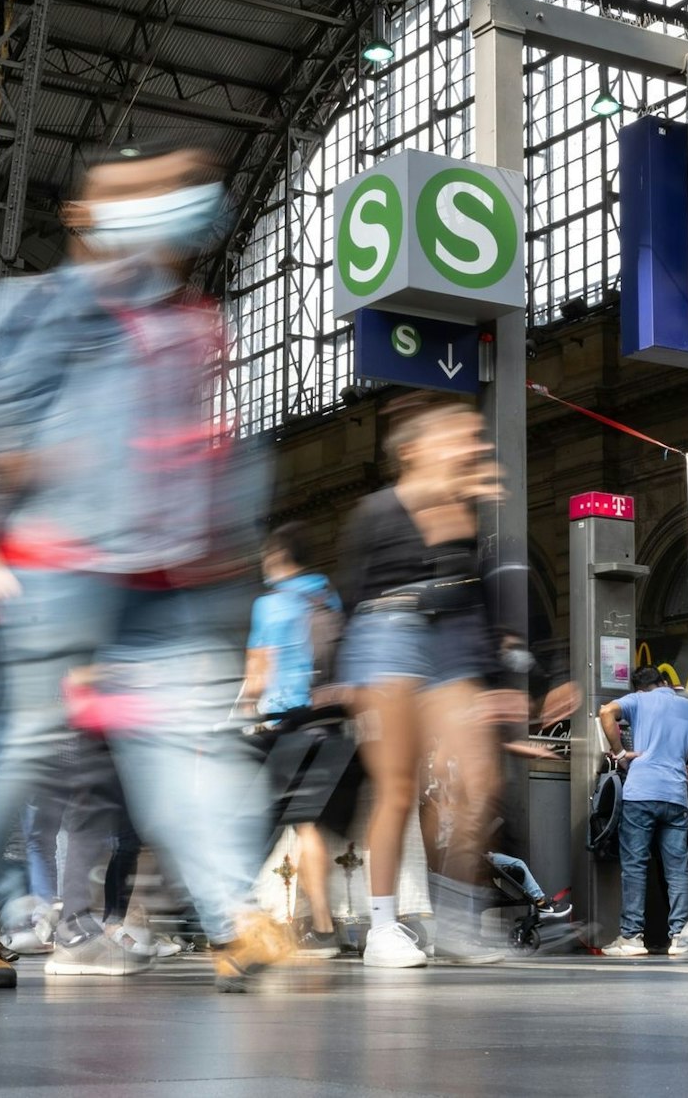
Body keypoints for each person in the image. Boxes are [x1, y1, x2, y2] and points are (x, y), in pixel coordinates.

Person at [0, 137, 284, 992]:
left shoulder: (193, 319)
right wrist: (39, 466)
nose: (171, 199)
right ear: (86, 211)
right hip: (60, 564)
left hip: (170, 578)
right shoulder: (34, 305)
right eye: (145, 188)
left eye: (183, 186)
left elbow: (214, 452)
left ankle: (236, 919)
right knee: (19, 746)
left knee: (188, 744)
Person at [334, 395, 505, 969]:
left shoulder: (465, 512)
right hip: (385, 633)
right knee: (398, 789)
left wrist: (497, 678)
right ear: (415, 450)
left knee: (479, 780)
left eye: (475, 438)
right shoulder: (380, 510)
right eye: (460, 436)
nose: (473, 446)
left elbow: (472, 598)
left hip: (449, 643)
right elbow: (354, 596)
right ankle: (383, 927)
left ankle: (457, 919)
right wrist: (346, 679)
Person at [243, 522, 343, 956]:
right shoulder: (327, 595)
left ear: (278, 555)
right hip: (329, 721)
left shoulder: (270, 605)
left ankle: (238, 916)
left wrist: (248, 711)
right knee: (309, 824)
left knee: (257, 821)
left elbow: (256, 676)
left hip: (284, 723)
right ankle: (322, 927)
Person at [598, 666, 688, 957]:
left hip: (641, 793)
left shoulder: (638, 700)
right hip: (676, 796)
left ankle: (632, 938)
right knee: (677, 870)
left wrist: (621, 754)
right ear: (665, 683)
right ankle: (680, 937)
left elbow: (605, 713)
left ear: (639, 688)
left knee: (635, 865)